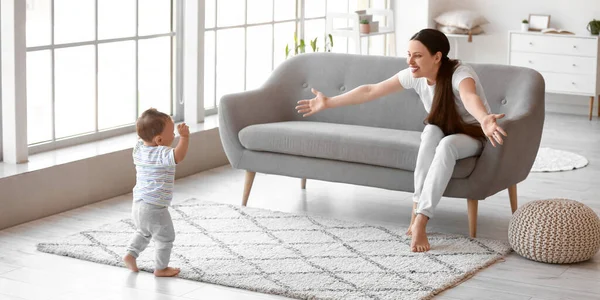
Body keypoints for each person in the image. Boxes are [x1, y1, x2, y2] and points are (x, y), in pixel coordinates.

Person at [295, 28, 507, 253]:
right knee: (431, 133)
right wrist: (328, 102)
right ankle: (416, 211)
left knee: (446, 145)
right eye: (408, 54)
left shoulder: (460, 73)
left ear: (437, 57)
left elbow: (468, 96)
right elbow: (370, 91)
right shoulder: (415, 76)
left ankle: (422, 220)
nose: (410, 61)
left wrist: (484, 118)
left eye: (417, 55)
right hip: (443, 130)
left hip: (472, 135)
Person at [123, 108, 190, 276]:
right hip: (155, 207)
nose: (174, 135)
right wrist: (185, 137)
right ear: (159, 140)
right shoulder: (162, 153)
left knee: (143, 232)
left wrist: (144, 129)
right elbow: (179, 156)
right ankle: (161, 268)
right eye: (172, 133)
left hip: (138, 204)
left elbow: (142, 137)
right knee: (165, 238)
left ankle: (130, 254)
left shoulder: (138, 150)